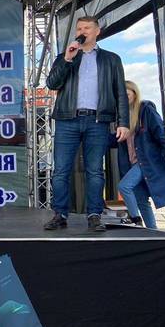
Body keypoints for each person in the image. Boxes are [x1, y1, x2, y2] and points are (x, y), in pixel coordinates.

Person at [43, 15, 129, 232]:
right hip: (67, 119)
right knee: (60, 170)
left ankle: (94, 214)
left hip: (97, 121)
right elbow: (52, 83)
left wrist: (123, 122)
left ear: (97, 31)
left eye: (87, 27)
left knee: (95, 171)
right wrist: (67, 60)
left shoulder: (111, 59)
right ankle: (60, 214)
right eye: (79, 28)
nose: (82, 31)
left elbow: (120, 92)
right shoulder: (66, 56)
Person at [116, 81, 165, 228]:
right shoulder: (122, 116)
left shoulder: (145, 110)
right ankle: (153, 232)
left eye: (126, 94)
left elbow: (160, 133)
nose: (123, 97)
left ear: (134, 94)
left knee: (124, 186)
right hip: (132, 163)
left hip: (147, 161)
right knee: (142, 201)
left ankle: (135, 219)